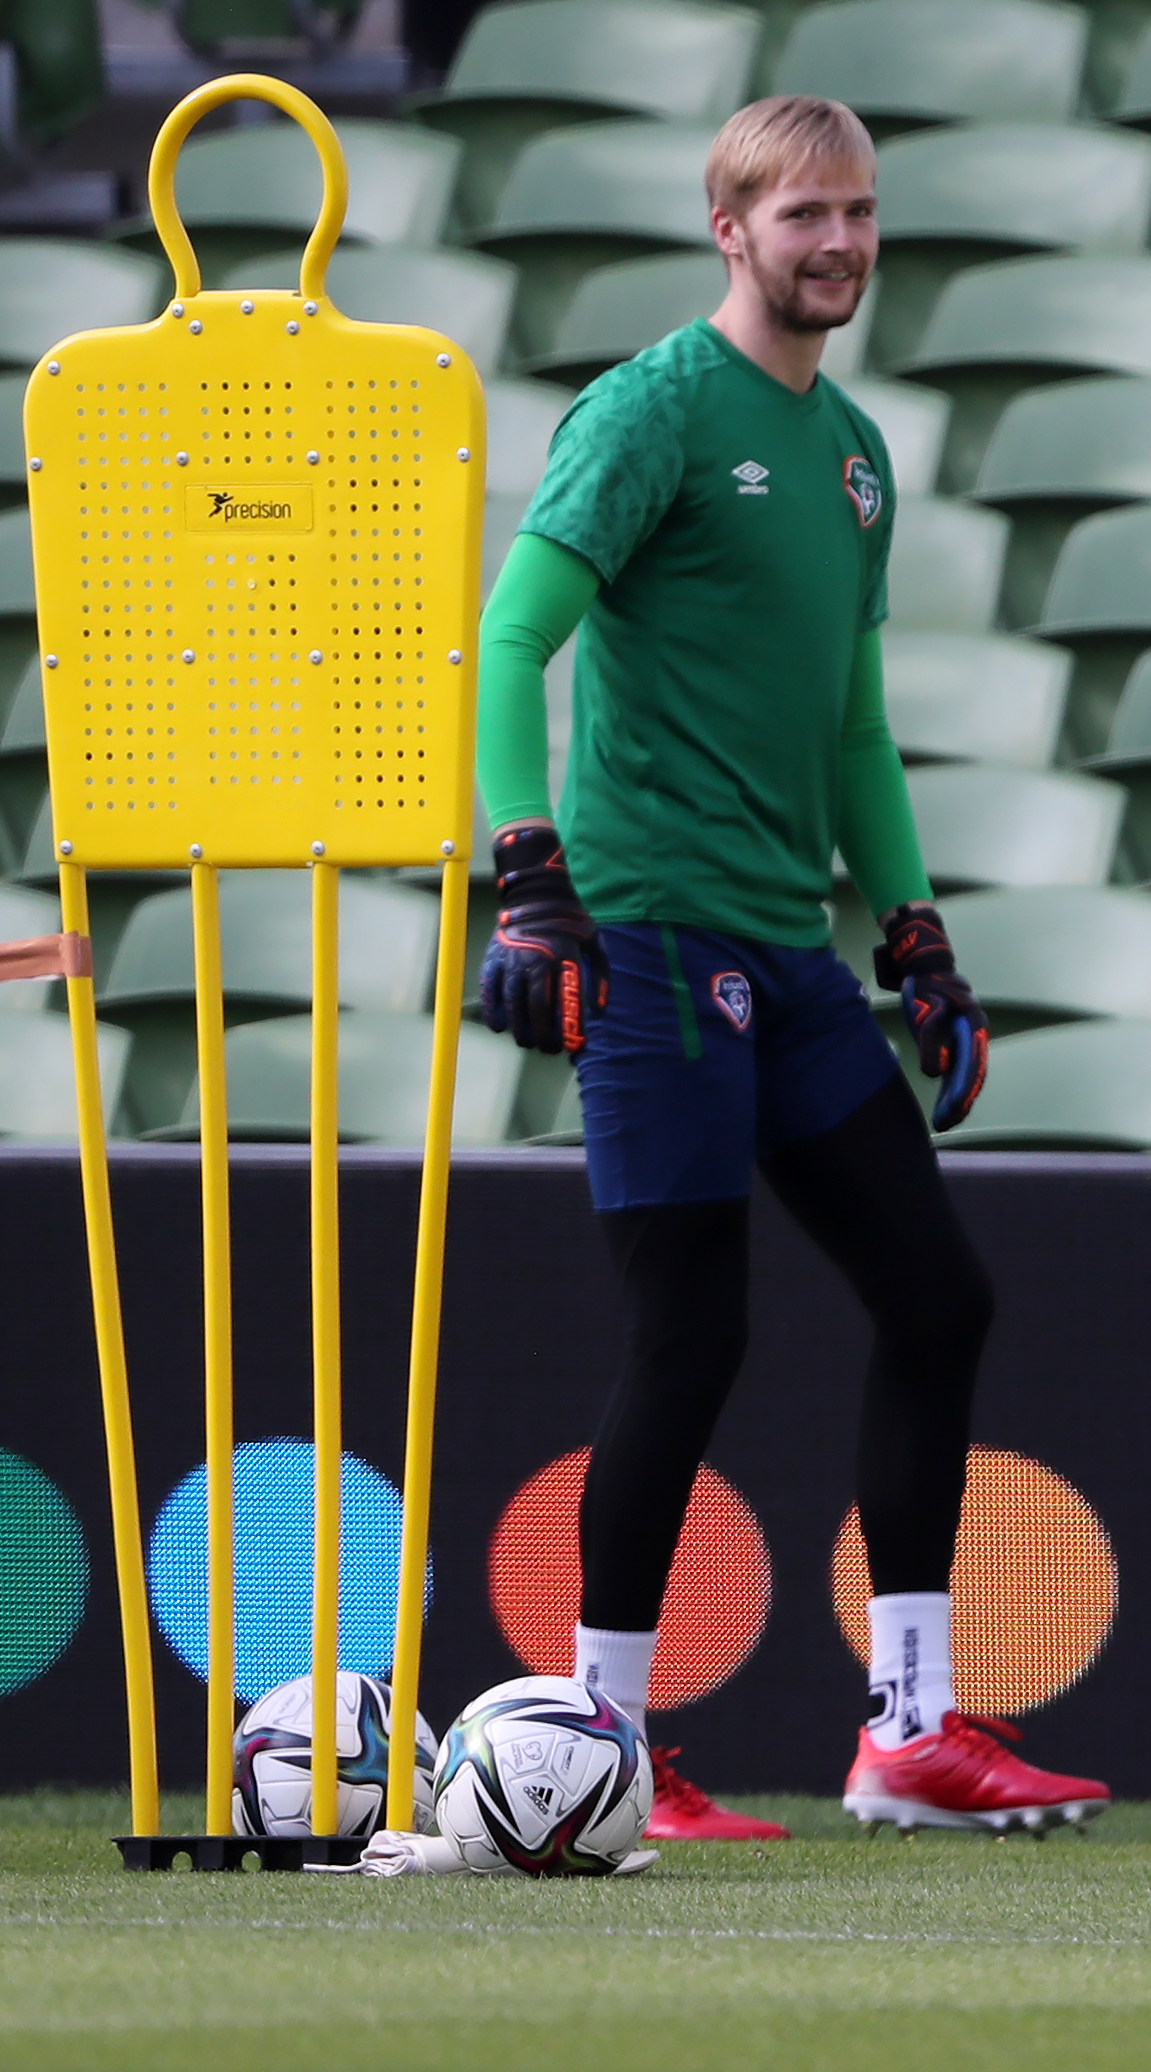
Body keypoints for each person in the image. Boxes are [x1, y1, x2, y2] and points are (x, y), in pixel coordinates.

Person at [473, 93, 1107, 1841]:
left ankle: (908, 1731)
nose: (838, 244)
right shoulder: (653, 412)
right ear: (729, 232)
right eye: (803, 215)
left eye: (860, 213)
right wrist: (525, 871)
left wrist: (913, 933)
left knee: (938, 1296)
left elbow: (855, 727)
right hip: (652, 939)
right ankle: (604, 1745)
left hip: (784, 949)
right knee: (693, 1333)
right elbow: (512, 633)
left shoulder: (854, 456)